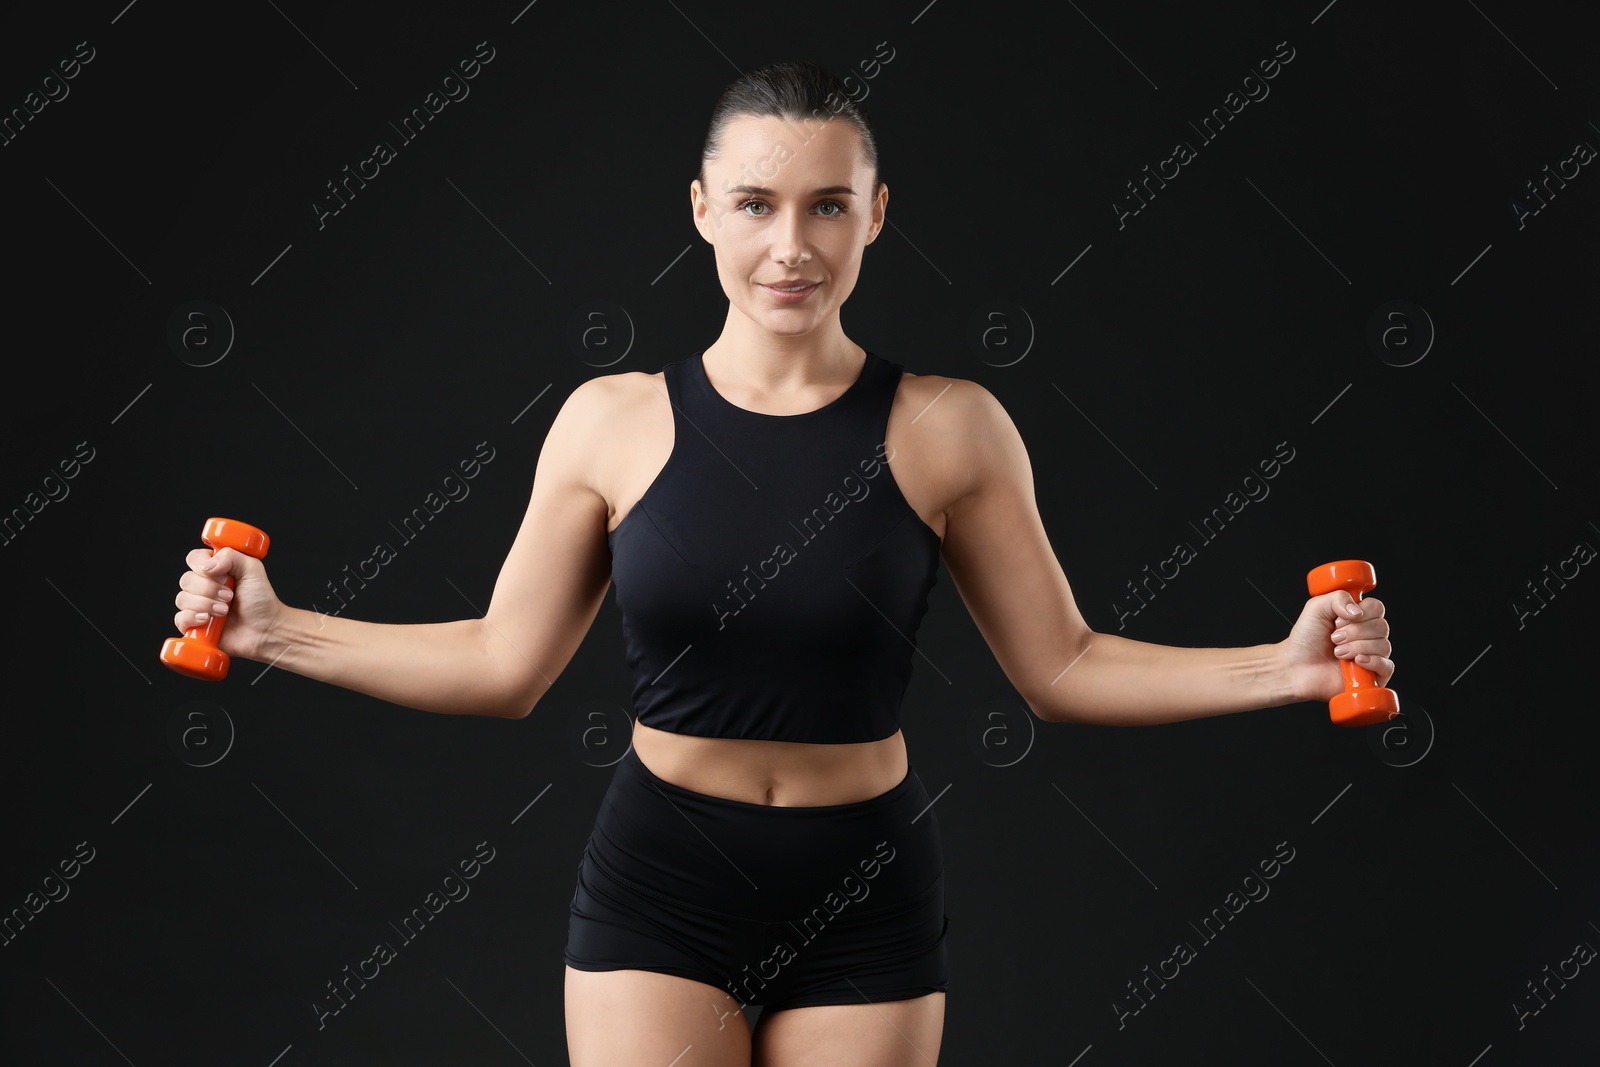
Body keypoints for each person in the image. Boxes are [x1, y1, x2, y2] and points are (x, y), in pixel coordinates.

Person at [170, 61, 1396, 1066]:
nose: (790, 245)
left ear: (875, 212)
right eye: (756, 203)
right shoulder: (612, 420)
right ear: (701, 207)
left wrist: (1279, 670)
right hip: (662, 877)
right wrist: (277, 629)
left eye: (826, 204)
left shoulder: (948, 425)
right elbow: (504, 662)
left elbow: (1062, 664)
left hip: (862, 883)